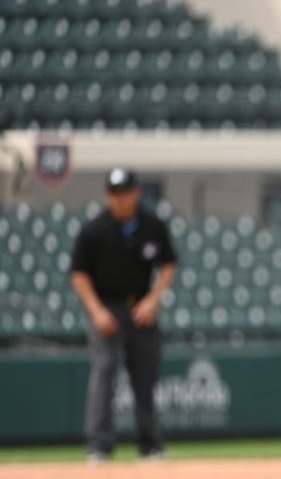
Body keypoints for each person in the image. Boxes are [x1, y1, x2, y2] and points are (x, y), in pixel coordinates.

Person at [70, 168, 176, 462]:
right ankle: (98, 446)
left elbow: (168, 264)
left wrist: (154, 300)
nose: (119, 199)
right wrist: (96, 310)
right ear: (108, 196)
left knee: (146, 378)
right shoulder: (95, 229)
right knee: (104, 373)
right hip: (107, 307)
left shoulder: (152, 225)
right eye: (114, 194)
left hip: (142, 307)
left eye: (124, 192)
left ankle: (150, 445)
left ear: (136, 193)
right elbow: (79, 274)